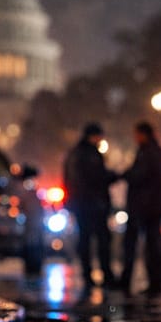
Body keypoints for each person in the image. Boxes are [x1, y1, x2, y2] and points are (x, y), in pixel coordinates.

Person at [120, 121, 161, 297]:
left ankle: (141, 283)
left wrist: (126, 175)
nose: (135, 138)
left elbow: (139, 176)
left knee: (141, 246)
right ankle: (155, 283)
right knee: (153, 246)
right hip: (155, 207)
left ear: (143, 134)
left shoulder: (147, 154)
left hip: (144, 208)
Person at [63, 122, 118, 290]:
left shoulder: (75, 154)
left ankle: (88, 275)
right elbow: (96, 178)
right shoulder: (89, 155)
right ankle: (103, 274)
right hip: (93, 204)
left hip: (82, 204)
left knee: (86, 239)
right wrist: (111, 177)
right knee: (100, 240)